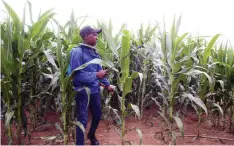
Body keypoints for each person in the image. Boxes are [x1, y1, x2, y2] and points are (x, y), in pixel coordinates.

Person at [69, 26, 114, 145]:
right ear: (85, 36)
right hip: (82, 91)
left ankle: (91, 135)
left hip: (94, 90)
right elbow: (76, 75)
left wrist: (108, 85)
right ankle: (80, 143)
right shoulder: (77, 52)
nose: (96, 37)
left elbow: (101, 72)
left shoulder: (95, 54)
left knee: (97, 115)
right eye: (94, 34)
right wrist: (96, 74)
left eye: (96, 34)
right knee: (82, 120)